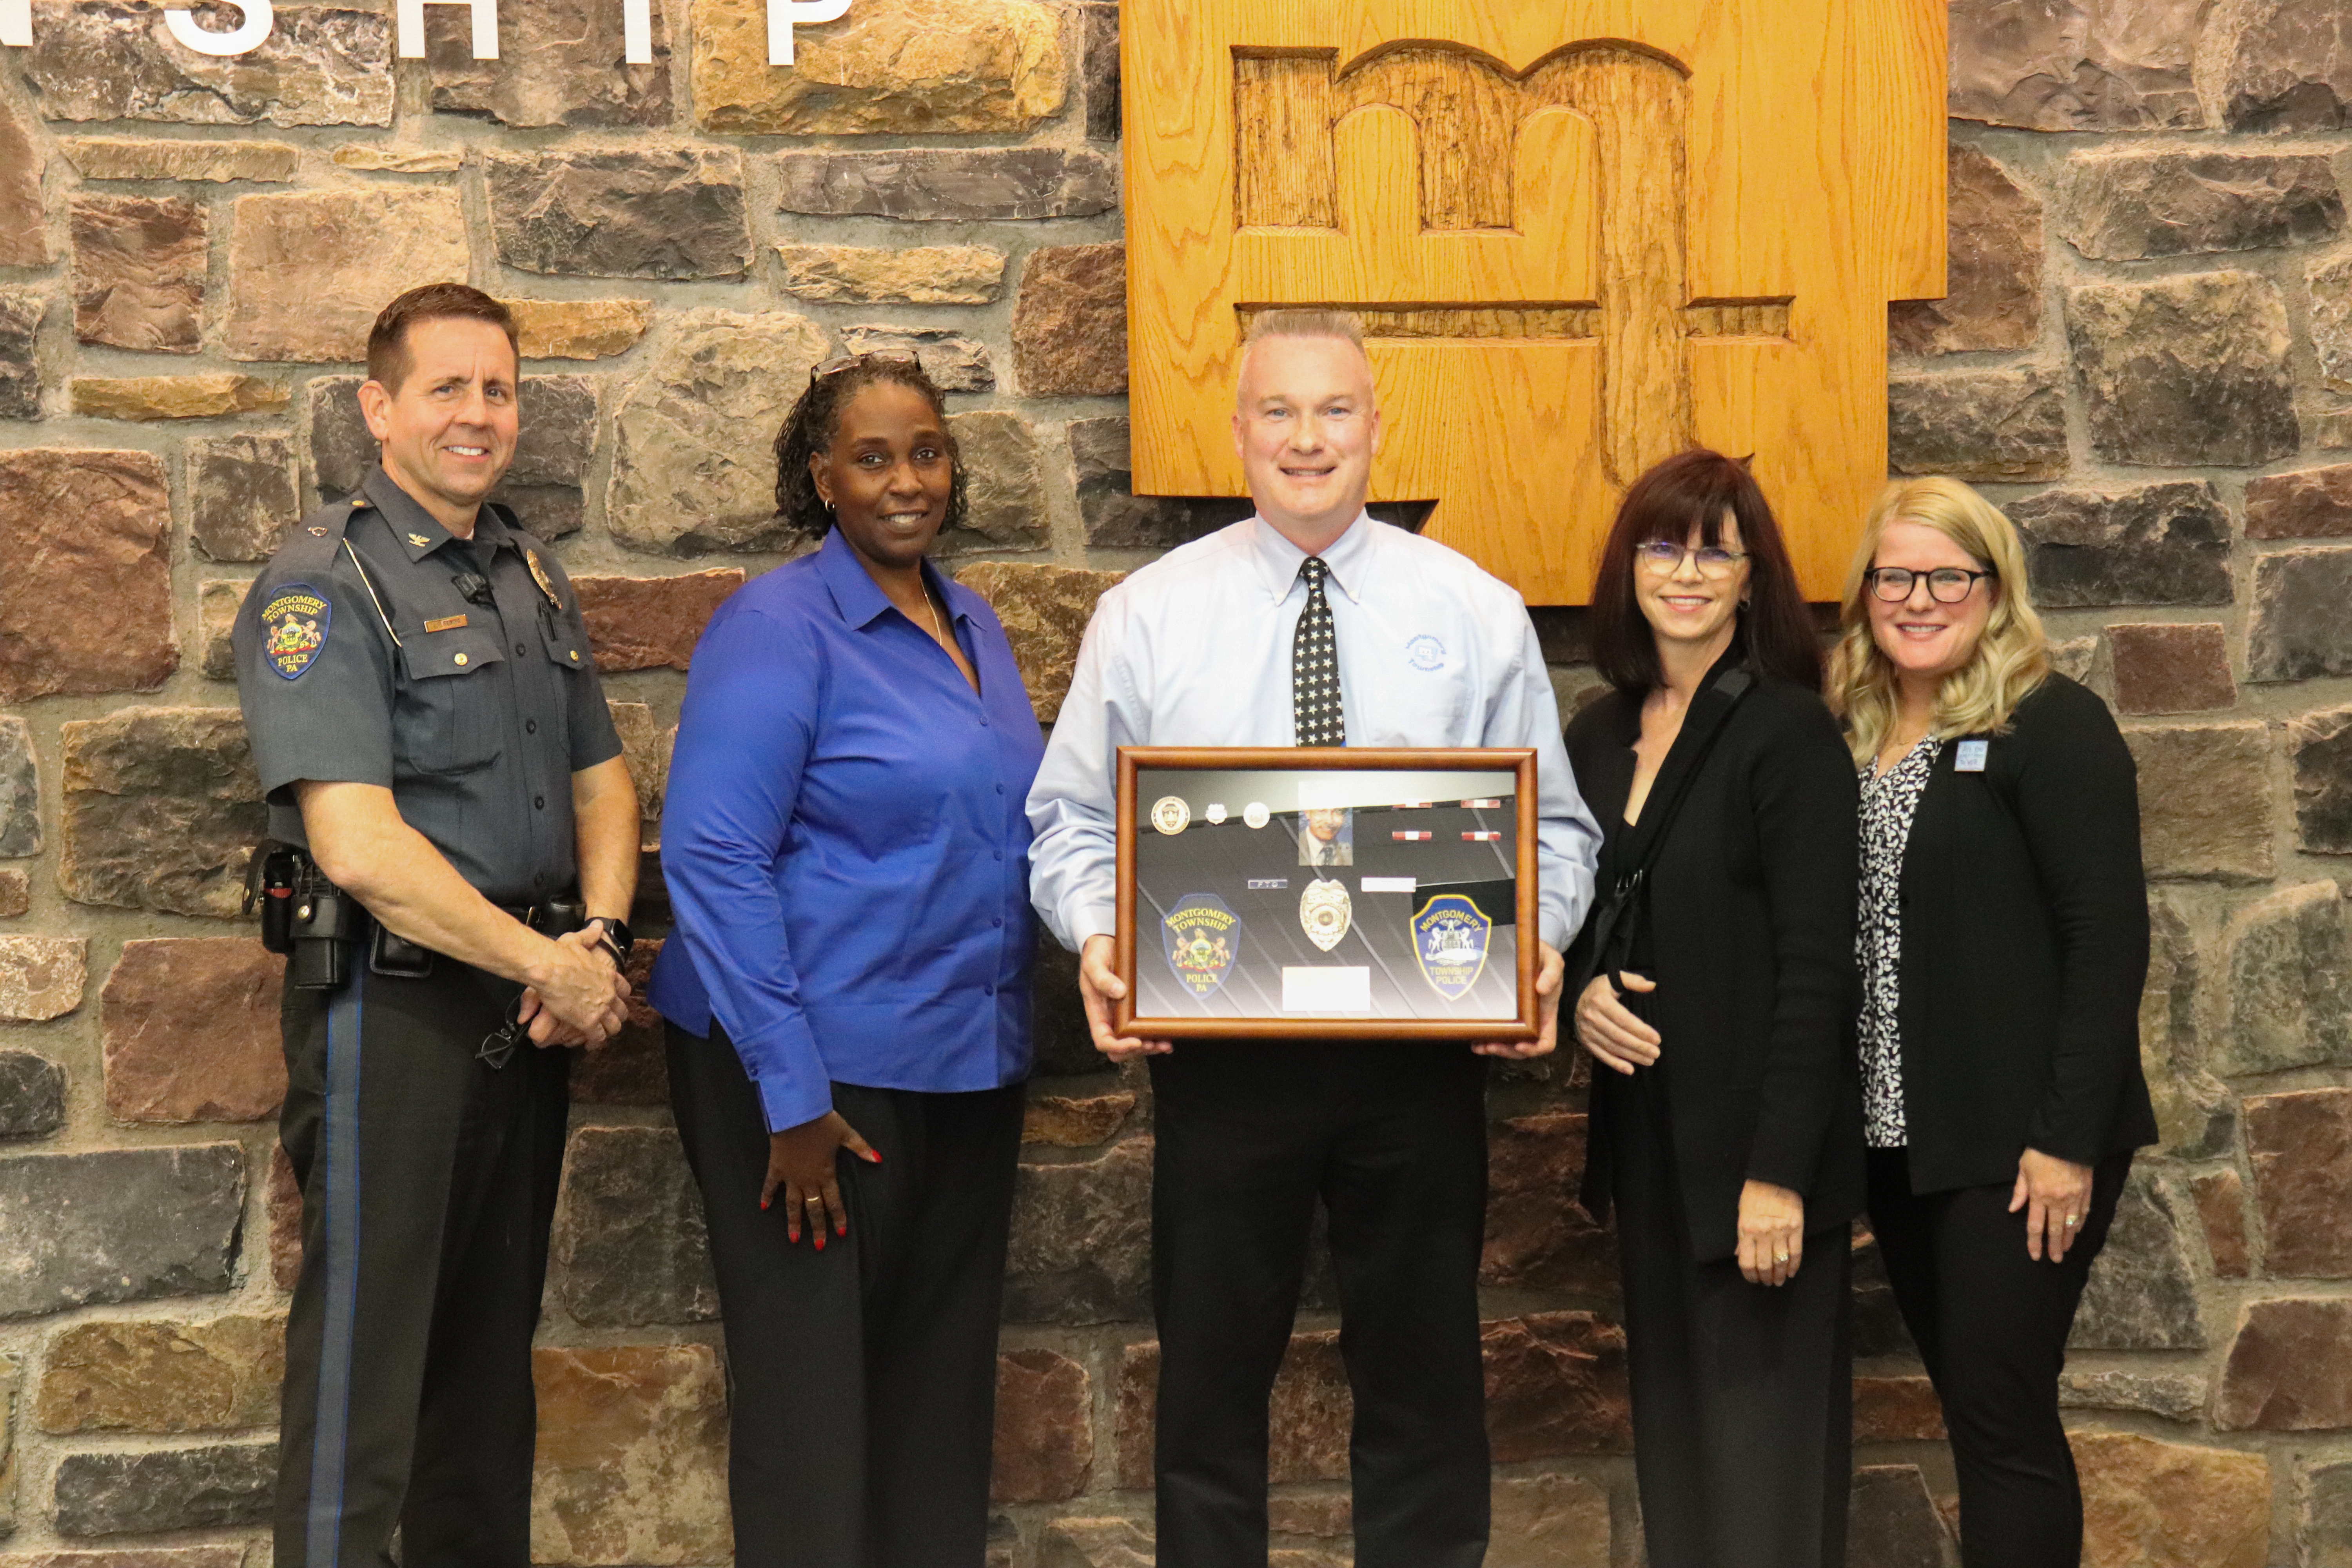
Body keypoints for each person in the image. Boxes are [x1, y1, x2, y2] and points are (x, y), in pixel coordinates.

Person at [1028, 309, 1602, 1568]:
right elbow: (1069, 820)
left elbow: (1554, 832)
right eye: (1277, 411)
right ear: (1237, 433)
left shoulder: (1478, 611)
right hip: (1220, 1064)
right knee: (1212, 1395)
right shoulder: (1147, 615)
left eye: (1333, 410)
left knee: (1425, 1384)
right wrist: (1097, 938)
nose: (1306, 438)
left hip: (1420, 1063)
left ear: (1376, 428)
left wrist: (1538, 943)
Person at [233, 283, 637, 1568]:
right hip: (392, 1019)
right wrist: (549, 968)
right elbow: (356, 845)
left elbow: (603, 784)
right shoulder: (324, 580)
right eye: (448, 388)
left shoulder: (525, 571)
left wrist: (602, 948)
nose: (479, 414)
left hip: (523, 1015)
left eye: (499, 389)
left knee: (483, 1381)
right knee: (366, 1375)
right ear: (380, 407)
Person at [649, 353, 1042, 1568]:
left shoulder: (970, 619)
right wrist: (793, 1097)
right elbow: (714, 857)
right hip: (812, 1079)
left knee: (936, 1405)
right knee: (813, 1416)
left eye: (926, 450)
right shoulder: (779, 624)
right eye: (872, 458)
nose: (906, 479)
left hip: (964, 1066)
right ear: (823, 479)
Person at [1826, 476, 2155, 1567]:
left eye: (1948, 576)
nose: (1919, 598)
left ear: (1995, 588)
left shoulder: (2050, 723)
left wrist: (2064, 1143)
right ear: (1866, 591)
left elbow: (2108, 944)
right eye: (1896, 576)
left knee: (2003, 1413)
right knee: (1978, 1408)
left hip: (2019, 1149)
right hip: (1903, 1143)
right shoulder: (1858, 733)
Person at [1566, 450, 1863, 1568]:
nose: (1685, 572)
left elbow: (1819, 970)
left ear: (1752, 580)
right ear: (1629, 566)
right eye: (1663, 545)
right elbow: (1566, 915)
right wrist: (1579, 1000)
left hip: (1756, 1164)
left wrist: (1779, 1173)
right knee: (1680, 1473)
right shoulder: (1597, 735)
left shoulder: (1789, 734)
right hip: (1649, 1155)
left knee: (1763, 1491)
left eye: (1713, 551)